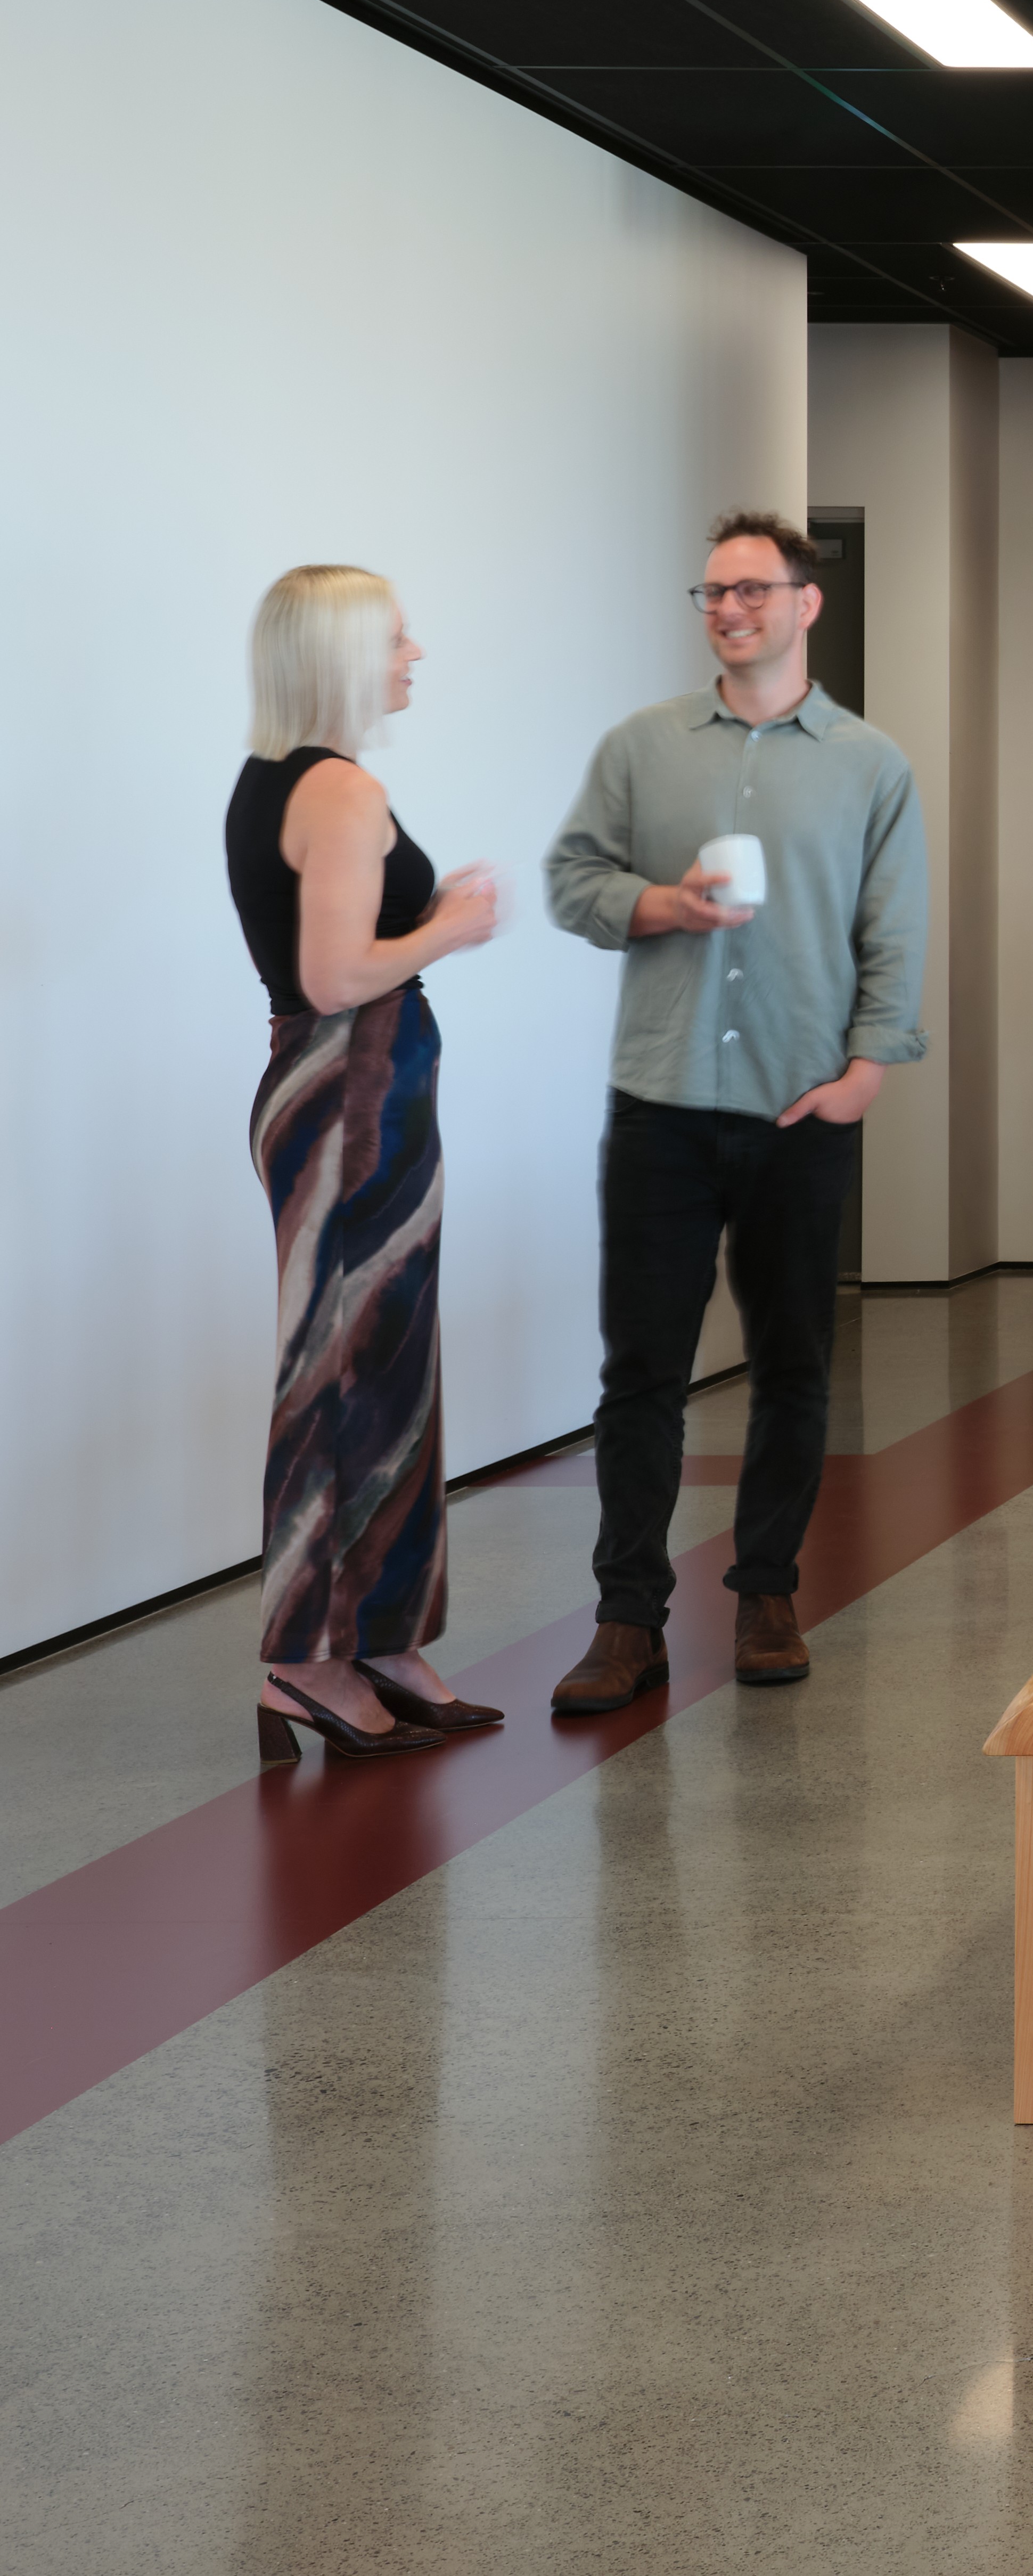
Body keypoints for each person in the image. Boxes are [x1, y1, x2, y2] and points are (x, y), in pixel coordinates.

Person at [539, 512, 928, 1714]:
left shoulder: (871, 763)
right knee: (641, 1371)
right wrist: (661, 903)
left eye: (754, 589)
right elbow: (572, 880)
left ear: (807, 604)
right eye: (713, 591)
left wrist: (869, 1070)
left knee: (794, 1363)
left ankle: (767, 1592)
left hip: (800, 1108)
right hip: (659, 1102)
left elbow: (895, 931)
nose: (730, 608)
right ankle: (627, 1621)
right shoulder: (642, 748)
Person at [228, 566, 504, 1762]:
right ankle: (302, 1660)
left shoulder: (282, 781)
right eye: (394, 638)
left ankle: (384, 1638)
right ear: (342, 655)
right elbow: (339, 976)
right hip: (349, 1092)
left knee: (384, 1363)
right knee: (339, 1372)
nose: (415, 654)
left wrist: (422, 919)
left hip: (353, 1093)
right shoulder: (339, 791)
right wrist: (453, 923)